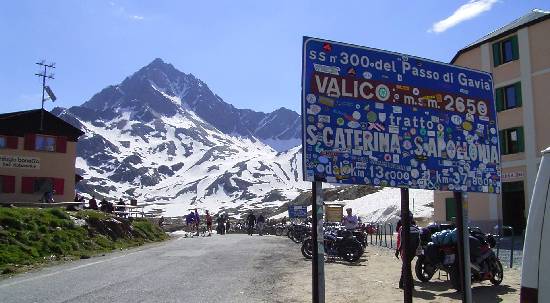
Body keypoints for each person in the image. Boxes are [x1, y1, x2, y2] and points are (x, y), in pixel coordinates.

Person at [395, 212, 420, 289]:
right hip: (412, 250)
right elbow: (418, 241)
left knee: (406, 266)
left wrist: (397, 250)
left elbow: (400, 241)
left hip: (404, 251)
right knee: (406, 265)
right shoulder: (416, 228)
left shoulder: (402, 228)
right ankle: (402, 283)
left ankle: (409, 284)